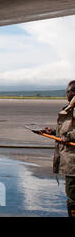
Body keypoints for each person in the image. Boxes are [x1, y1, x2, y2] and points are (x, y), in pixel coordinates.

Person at [43, 80, 75, 217]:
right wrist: (53, 132)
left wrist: (68, 137)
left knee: (73, 192)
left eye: (68, 91)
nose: (67, 94)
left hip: (73, 159)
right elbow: (67, 128)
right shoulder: (70, 107)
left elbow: (70, 132)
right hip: (70, 157)